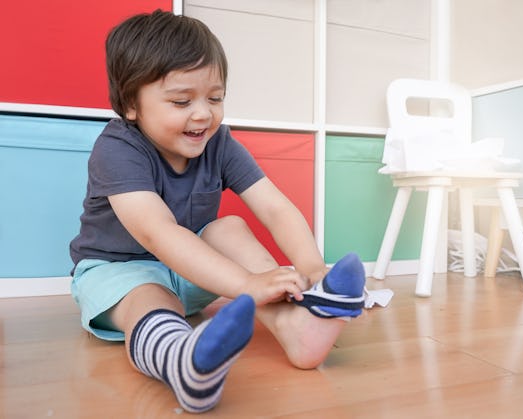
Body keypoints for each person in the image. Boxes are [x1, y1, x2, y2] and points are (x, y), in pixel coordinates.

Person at [69, 9, 365, 414]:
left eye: (215, 97)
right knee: (152, 298)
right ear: (130, 105)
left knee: (228, 225)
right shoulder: (117, 149)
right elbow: (158, 232)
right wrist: (246, 283)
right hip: (120, 272)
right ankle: (183, 364)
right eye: (181, 101)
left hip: (190, 269)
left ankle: (295, 326)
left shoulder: (219, 143)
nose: (203, 114)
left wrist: (312, 267)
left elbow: (275, 208)